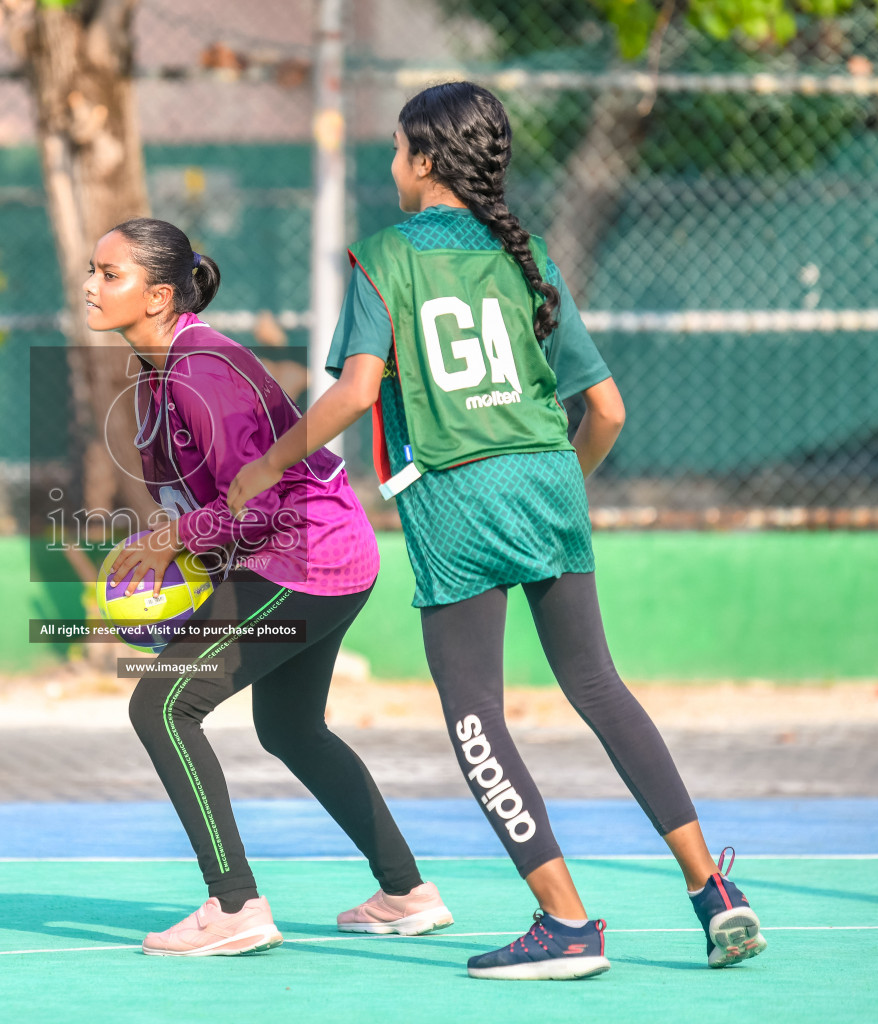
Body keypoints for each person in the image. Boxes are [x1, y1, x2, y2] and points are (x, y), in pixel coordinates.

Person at [227, 82, 767, 980]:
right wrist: (556, 492)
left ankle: (565, 925)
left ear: (427, 160)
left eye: (399, 148)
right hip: (549, 480)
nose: (390, 162)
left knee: (476, 713)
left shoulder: (384, 257)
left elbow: (359, 391)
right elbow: (607, 410)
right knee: (598, 684)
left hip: (458, 497)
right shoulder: (528, 254)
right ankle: (713, 890)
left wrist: (263, 466)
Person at [91, 217, 452, 957]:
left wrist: (177, 545)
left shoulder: (200, 372)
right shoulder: (159, 371)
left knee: (162, 702)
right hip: (314, 558)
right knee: (288, 728)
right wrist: (183, 573)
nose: (92, 287)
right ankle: (407, 892)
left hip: (305, 559)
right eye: (92, 272)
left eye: (110, 274)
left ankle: (235, 906)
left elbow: (258, 500)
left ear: (158, 295)